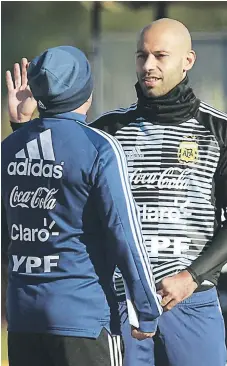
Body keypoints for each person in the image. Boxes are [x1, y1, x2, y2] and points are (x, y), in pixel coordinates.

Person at [6, 18, 227, 366]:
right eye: (141, 56)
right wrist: (23, 125)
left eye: (160, 56)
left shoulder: (218, 131)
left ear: (189, 60)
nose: (148, 66)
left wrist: (192, 277)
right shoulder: (106, 133)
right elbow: (47, 185)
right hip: (121, 307)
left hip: (191, 302)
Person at [2, 46, 163, 366]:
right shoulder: (99, 147)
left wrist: (21, 127)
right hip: (83, 320)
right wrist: (146, 308)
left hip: (23, 321)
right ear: (87, 90)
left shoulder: (9, 148)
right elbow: (126, 235)